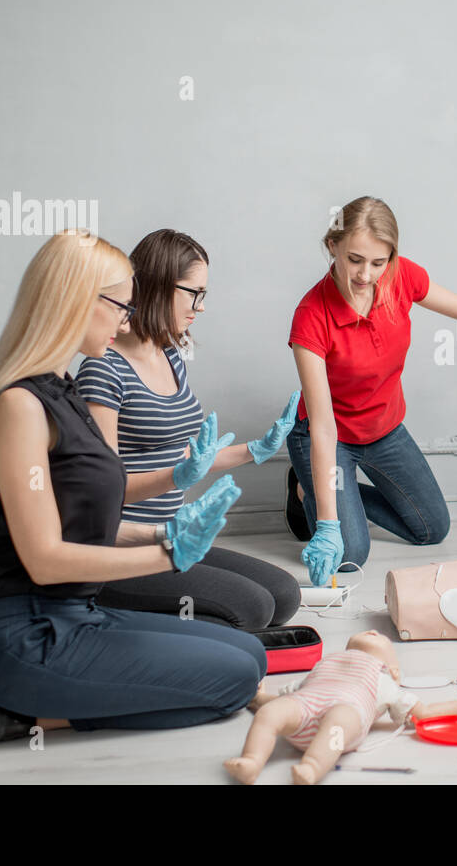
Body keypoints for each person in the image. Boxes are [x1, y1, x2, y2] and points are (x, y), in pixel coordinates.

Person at [0, 230, 263, 742]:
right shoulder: (20, 407)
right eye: (122, 304)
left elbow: (82, 521)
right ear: (78, 301)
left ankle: (24, 706)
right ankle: (16, 711)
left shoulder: (66, 392)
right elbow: (46, 558)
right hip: (27, 634)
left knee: (251, 655)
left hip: (81, 612)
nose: (127, 318)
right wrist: (169, 556)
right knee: (233, 681)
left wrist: (164, 532)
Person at [286, 195, 457, 585]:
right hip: (329, 437)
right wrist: (327, 525)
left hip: (383, 430)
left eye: (378, 262)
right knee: (351, 555)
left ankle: (318, 490)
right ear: (332, 246)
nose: (366, 274)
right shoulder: (311, 316)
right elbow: (323, 426)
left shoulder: (400, 277)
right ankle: (310, 493)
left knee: (431, 529)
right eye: (355, 259)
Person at [76, 229, 301, 630]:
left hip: (170, 536)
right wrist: (177, 477)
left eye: (204, 295)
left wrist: (256, 449)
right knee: (253, 608)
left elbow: (186, 461)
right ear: (158, 286)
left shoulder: (170, 356)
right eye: (192, 292)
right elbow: (102, 489)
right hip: (117, 550)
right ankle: (116, 616)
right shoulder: (103, 370)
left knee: (284, 595)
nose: (200, 307)